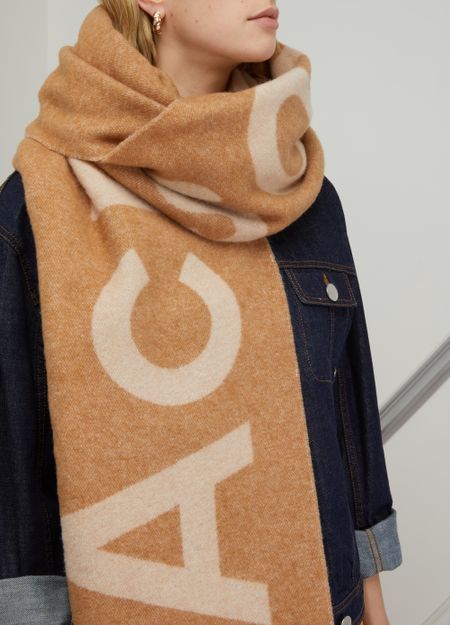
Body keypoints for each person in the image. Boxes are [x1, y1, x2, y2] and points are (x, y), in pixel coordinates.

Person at [0, 1, 402, 624]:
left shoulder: (307, 198)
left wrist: (374, 604)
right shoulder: (37, 206)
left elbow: (347, 423)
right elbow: (17, 472)